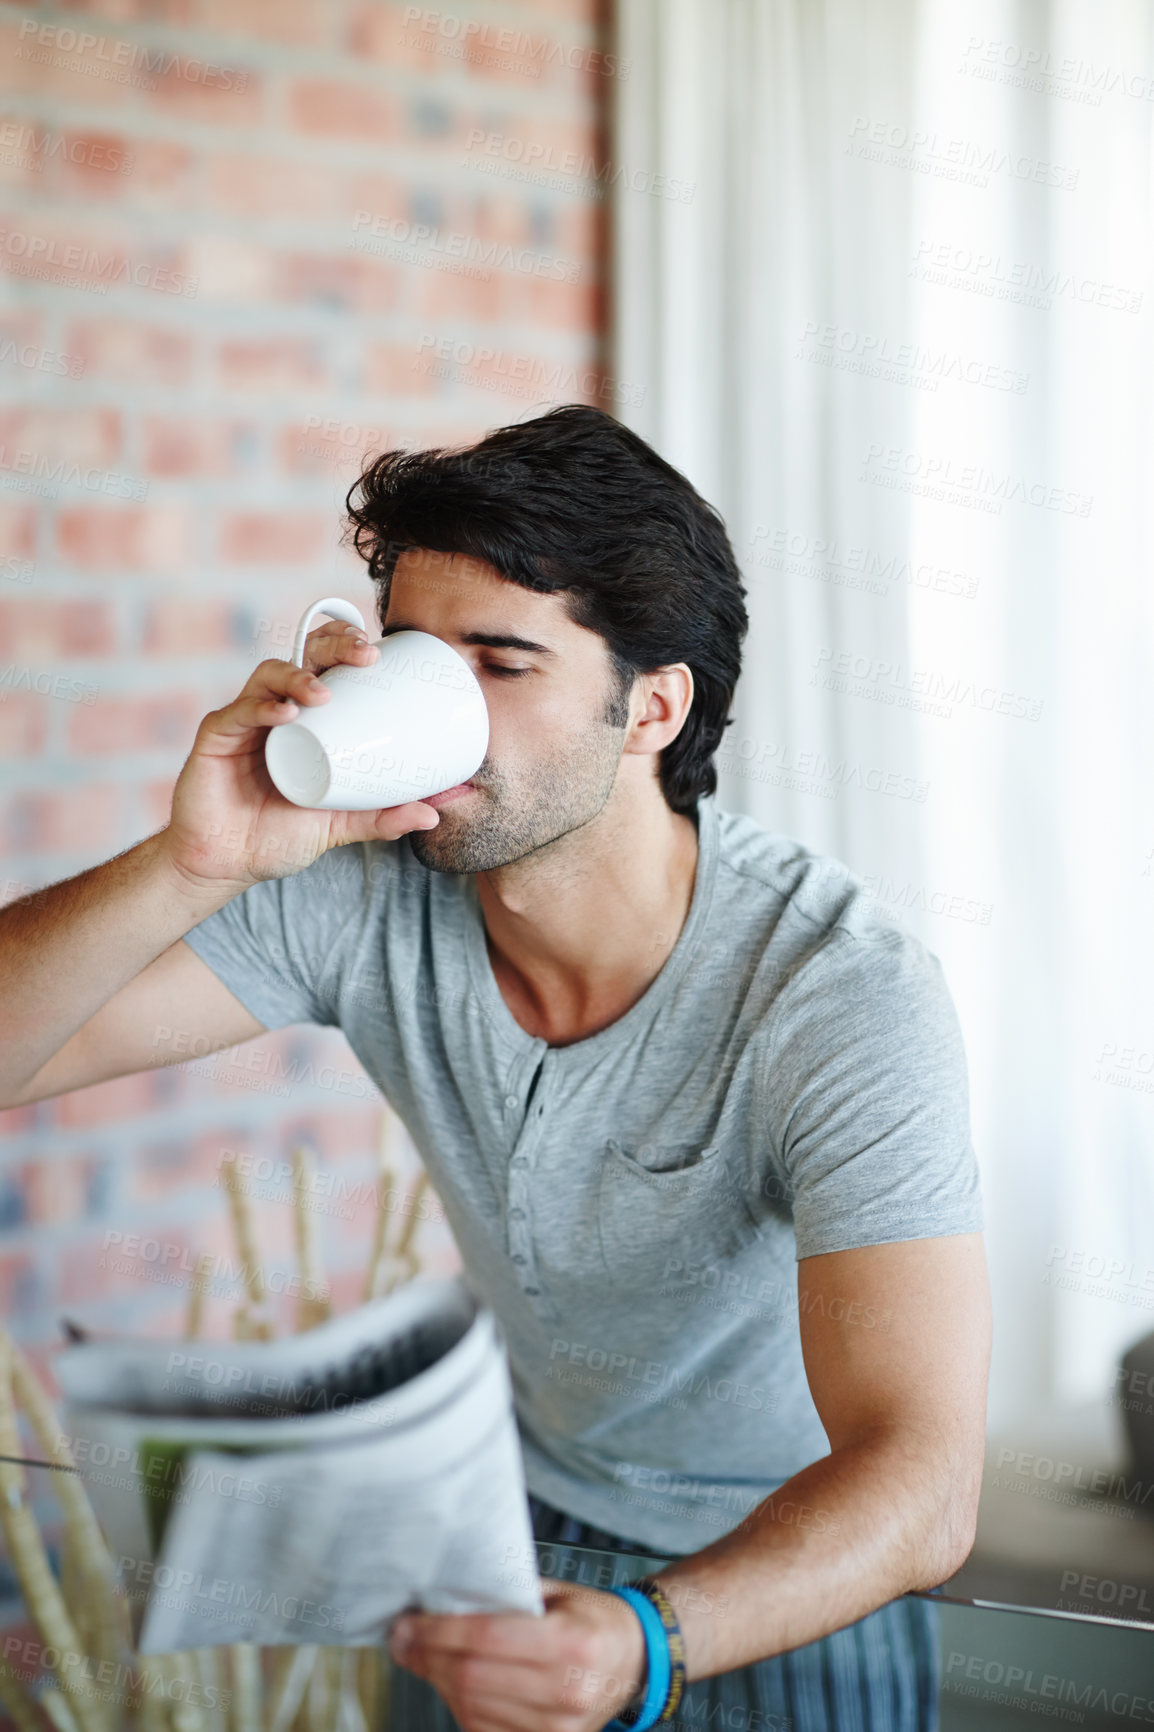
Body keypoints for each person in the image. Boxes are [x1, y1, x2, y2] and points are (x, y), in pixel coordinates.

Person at [0, 404, 991, 1732]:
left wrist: (649, 1639)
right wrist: (192, 861)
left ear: (650, 708)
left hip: (786, 1583)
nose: (439, 709)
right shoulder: (358, 891)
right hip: (506, 1549)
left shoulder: (839, 994)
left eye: (499, 663)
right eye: (411, 656)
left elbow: (921, 1485)